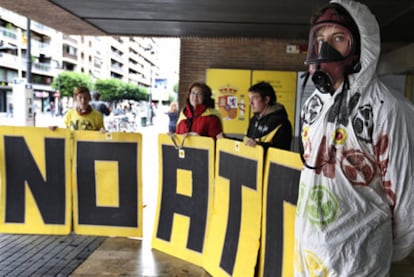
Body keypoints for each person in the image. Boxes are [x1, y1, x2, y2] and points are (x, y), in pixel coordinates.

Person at [295, 0, 414, 276]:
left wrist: (391, 251)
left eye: (338, 38)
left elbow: (405, 194)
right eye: (320, 39)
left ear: (361, 46)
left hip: (360, 258)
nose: (325, 48)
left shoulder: (385, 108)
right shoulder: (313, 104)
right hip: (310, 250)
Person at [244, 81, 292, 151]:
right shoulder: (253, 120)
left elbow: (280, 151)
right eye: (249, 99)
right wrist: (226, 139)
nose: (250, 103)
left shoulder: (282, 123)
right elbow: (245, 143)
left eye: (254, 98)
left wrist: (259, 146)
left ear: (266, 99)